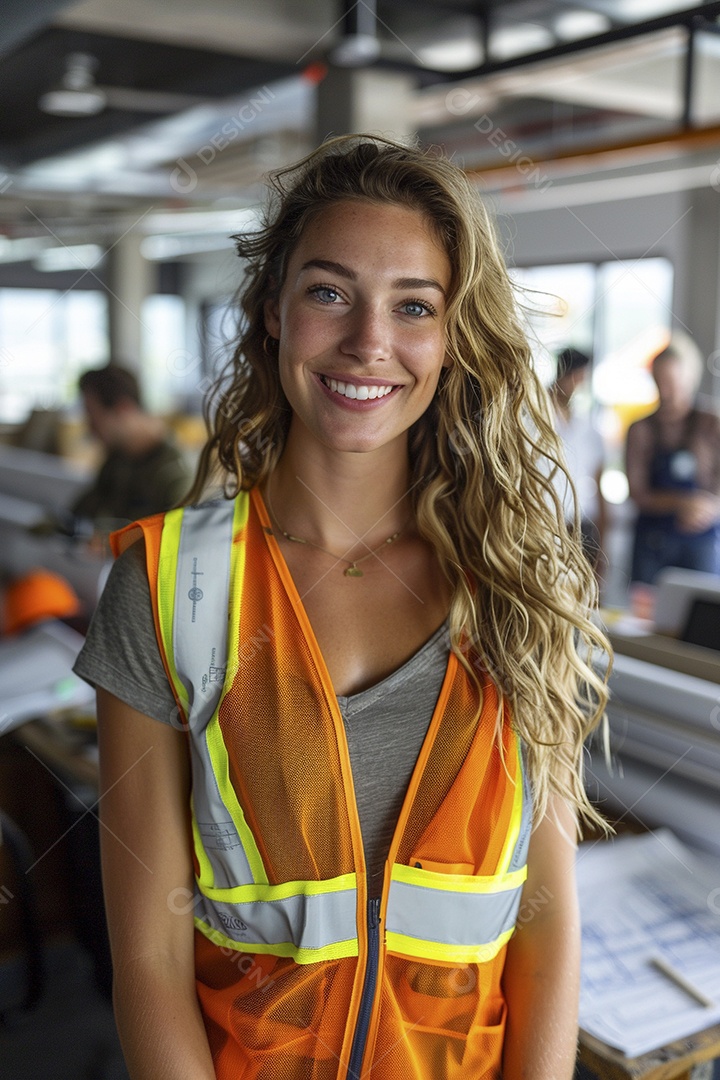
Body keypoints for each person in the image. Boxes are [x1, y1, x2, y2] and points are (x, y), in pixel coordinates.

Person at [73, 135, 609, 1080]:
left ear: (451, 338)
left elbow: (547, 923)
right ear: (273, 312)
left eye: (413, 306)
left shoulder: (525, 583)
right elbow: (148, 958)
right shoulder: (166, 587)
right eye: (329, 292)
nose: (369, 342)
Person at [626, 334, 720, 585]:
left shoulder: (710, 424)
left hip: (702, 543)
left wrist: (708, 507)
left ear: (688, 378)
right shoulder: (641, 429)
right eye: (659, 382)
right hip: (652, 543)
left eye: (671, 382)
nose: (665, 391)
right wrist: (682, 503)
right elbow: (637, 493)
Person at [70, 363, 191, 531]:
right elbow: (82, 510)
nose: (90, 429)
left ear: (123, 408)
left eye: (94, 417)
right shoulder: (118, 460)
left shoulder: (176, 474)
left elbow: (177, 543)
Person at [549, 347, 607, 572]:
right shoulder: (532, 415)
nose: (578, 385)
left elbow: (598, 483)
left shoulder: (588, 427)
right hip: (545, 523)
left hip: (581, 526)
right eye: (575, 378)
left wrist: (603, 542)